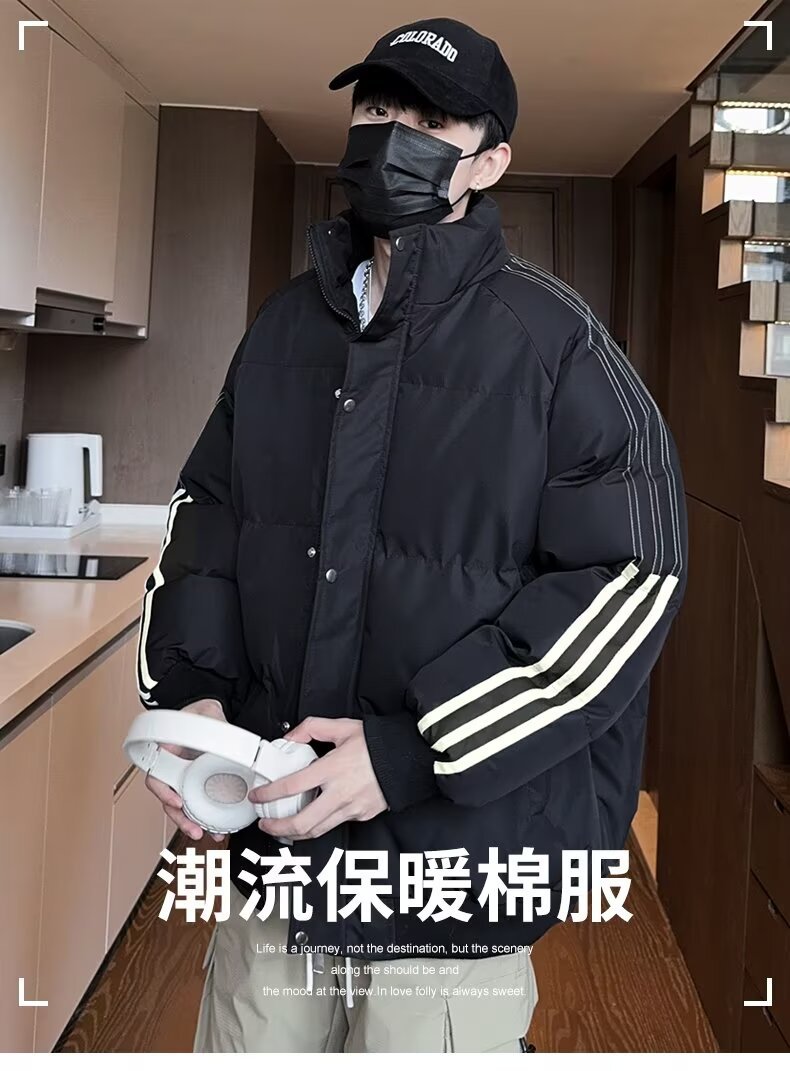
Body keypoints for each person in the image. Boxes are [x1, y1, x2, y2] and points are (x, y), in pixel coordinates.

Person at [136, 15, 688, 1054]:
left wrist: (412, 751)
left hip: (451, 871)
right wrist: (192, 700)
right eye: (379, 108)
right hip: (278, 854)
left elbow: (633, 575)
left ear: (488, 162)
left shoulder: (559, 345)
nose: (394, 135)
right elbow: (207, 518)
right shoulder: (282, 329)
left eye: (430, 121)